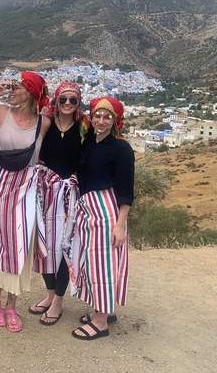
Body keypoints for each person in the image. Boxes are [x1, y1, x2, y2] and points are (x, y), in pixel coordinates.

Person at [0, 72, 50, 333]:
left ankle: (11, 303)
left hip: (29, 186)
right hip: (3, 184)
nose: (12, 90)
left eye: (17, 87)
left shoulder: (44, 123)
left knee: (24, 243)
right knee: (7, 243)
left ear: (31, 92)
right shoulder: (0, 111)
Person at [65, 96, 134, 340]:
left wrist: (119, 225)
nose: (101, 121)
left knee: (103, 265)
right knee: (93, 262)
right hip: (89, 209)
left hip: (107, 212)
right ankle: (104, 309)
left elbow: (126, 190)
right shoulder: (92, 142)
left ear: (116, 121)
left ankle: (101, 321)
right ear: (91, 117)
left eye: (107, 117)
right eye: (97, 116)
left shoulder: (121, 147)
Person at [29, 82, 91, 326]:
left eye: (73, 100)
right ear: (56, 100)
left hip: (70, 194)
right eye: (63, 100)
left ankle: (58, 301)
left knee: (66, 246)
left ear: (79, 103)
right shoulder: (45, 123)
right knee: (43, 243)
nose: (67, 104)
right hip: (45, 190)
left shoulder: (85, 126)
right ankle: (50, 293)